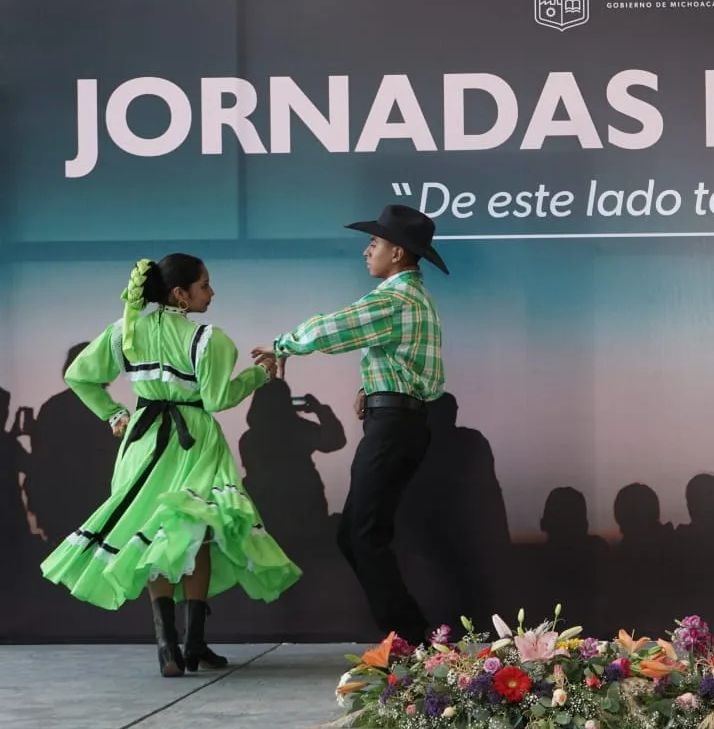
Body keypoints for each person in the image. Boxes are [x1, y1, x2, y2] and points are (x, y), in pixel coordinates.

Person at [40, 255, 302, 677]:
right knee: (197, 535)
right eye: (205, 285)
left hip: (143, 442)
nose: (211, 292)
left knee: (154, 537)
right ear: (180, 294)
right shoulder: (209, 339)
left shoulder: (125, 331)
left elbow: (78, 375)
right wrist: (258, 376)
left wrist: (113, 413)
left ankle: (169, 648)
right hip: (193, 442)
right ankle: (192, 642)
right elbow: (217, 399)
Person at [254, 205, 446, 647]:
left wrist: (284, 345)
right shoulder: (413, 298)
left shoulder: (396, 298)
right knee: (355, 533)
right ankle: (408, 638)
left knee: (363, 534)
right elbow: (412, 367)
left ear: (397, 253)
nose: (366, 251)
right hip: (397, 421)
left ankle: (411, 640)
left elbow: (335, 328)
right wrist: (374, 388)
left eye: (374, 243)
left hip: (394, 426)